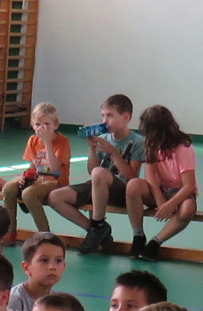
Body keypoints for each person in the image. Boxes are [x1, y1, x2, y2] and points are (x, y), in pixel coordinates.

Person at [48, 93, 142, 255]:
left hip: (121, 190)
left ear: (126, 117)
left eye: (110, 116)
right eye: (103, 116)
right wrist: (92, 148)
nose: (105, 121)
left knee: (99, 173)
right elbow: (92, 170)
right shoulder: (104, 138)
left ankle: (97, 223)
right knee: (54, 197)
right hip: (98, 185)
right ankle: (96, 230)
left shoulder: (138, 142)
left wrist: (113, 152)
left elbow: (131, 176)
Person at [124, 103, 196, 260]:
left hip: (179, 192)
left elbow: (189, 186)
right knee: (133, 186)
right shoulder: (152, 144)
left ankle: (156, 242)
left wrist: (170, 204)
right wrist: (159, 199)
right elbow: (150, 172)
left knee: (187, 209)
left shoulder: (183, 148)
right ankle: (138, 235)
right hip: (161, 189)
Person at [2, 102, 72, 238]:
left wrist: (47, 142)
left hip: (56, 181)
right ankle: (10, 231)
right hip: (38, 179)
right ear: (33, 126)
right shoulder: (32, 141)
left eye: (47, 124)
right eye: (38, 124)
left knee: (28, 194)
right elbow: (32, 166)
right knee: (8, 188)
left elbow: (54, 168)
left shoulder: (62, 142)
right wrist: (25, 178)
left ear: (55, 125)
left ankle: (45, 234)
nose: (42, 128)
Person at [9, 232, 66, 311]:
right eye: (44, 260)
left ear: (64, 266)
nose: (52, 267)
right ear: (26, 268)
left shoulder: (58, 302)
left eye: (58, 261)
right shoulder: (15, 300)